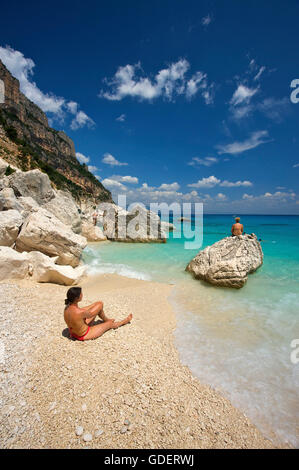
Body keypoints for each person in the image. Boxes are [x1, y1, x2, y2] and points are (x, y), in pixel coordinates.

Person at [64, 287, 132, 341]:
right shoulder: (81, 312)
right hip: (83, 334)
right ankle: (124, 321)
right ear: (77, 298)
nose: (82, 295)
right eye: (81, 294)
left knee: (98, 305)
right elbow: (90, 313)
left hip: (73, 332)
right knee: (109, 324)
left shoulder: (67, 308)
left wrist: (95, 304)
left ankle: (106, 320)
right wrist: (99, 305)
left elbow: (83, 311)